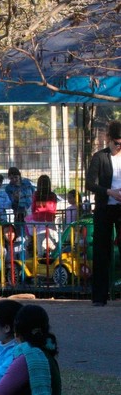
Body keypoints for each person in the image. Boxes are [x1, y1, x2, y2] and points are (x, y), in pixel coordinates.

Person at [85, 119, 121, 307]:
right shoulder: (100, 157)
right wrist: (109, 192)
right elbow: (89, 183)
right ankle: (99, 296)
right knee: (101, 251)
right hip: (105, 207)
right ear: (109, 139)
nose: (119, 147)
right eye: (116, 143)